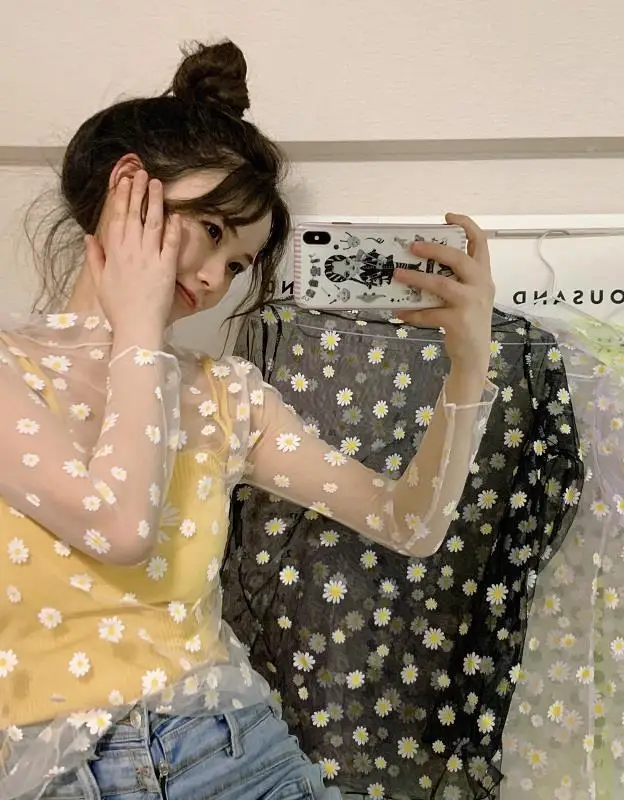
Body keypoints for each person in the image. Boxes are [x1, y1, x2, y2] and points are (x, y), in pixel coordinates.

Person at [0, 40, 497, 800]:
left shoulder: (224, 392)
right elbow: (119, 527)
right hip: (56, 777)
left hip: (236, 753)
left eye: (237, 265)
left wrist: (469, 365)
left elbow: (411, 523)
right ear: (127, 187)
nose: (213, 280)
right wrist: (139, 329)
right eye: (210, 231)